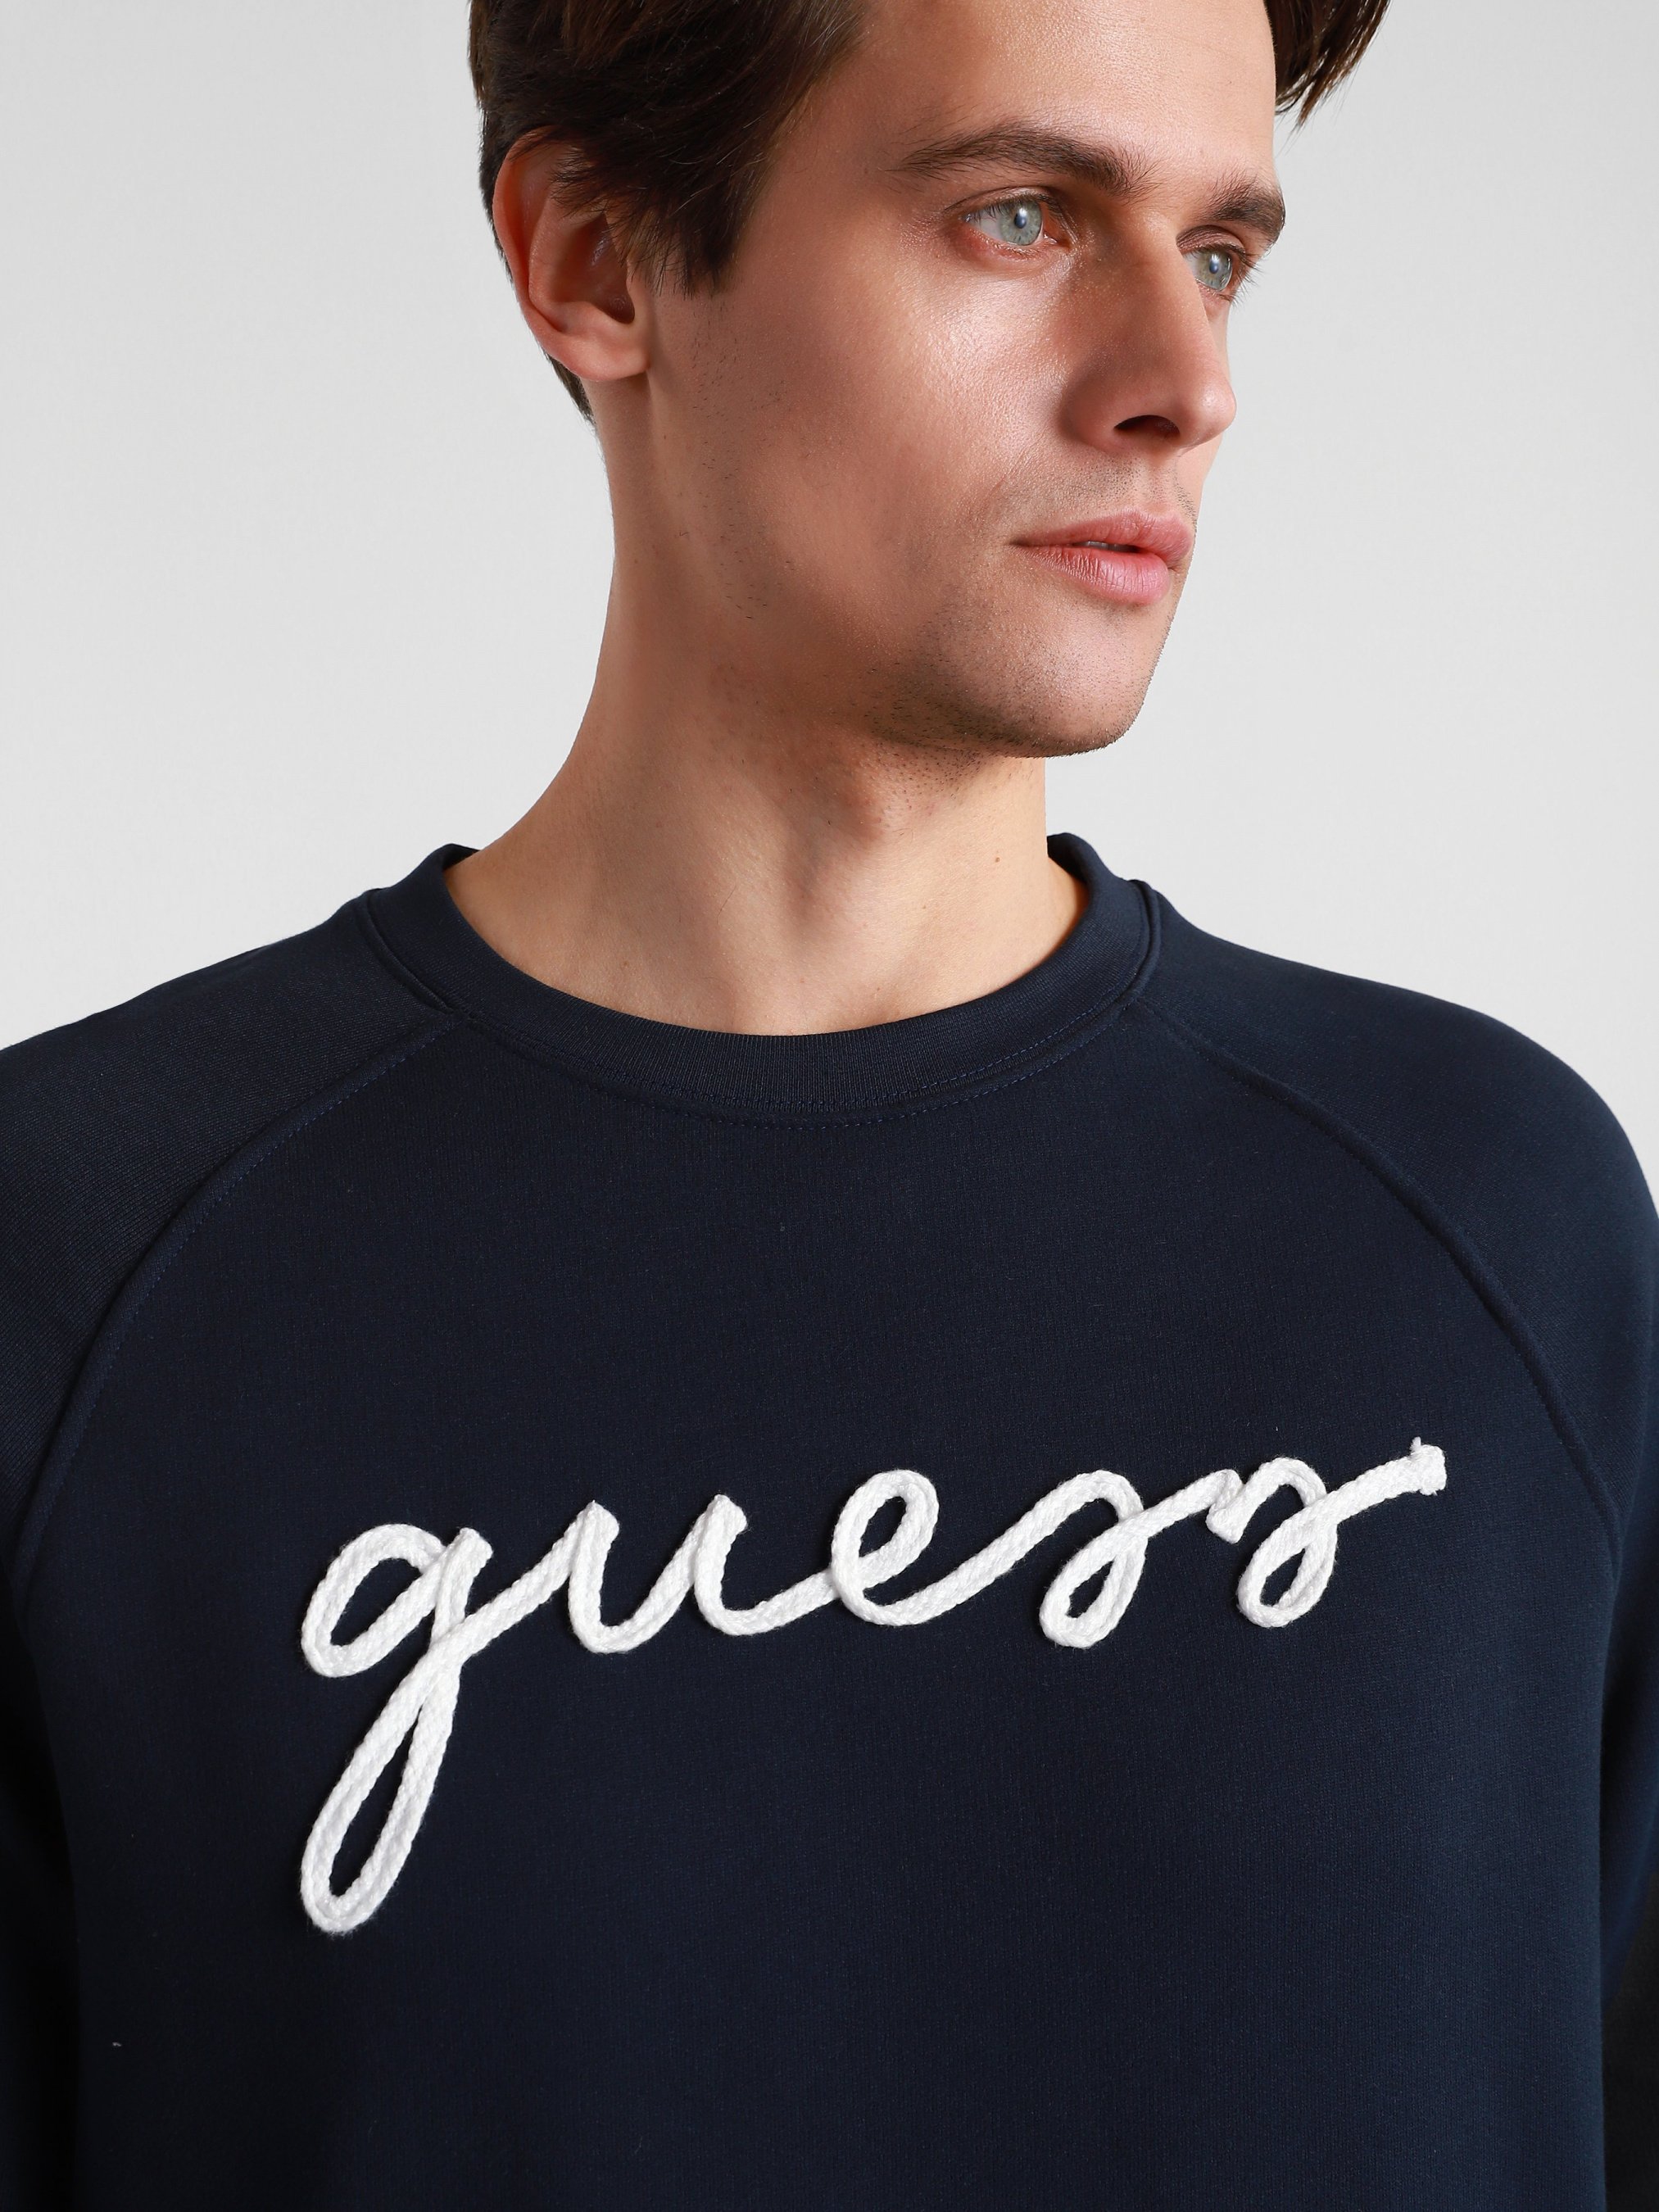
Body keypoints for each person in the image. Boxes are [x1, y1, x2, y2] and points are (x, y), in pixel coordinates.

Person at [1, 0, 1654, 2201]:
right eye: (1020, 215)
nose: (1185, 379)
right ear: (595, 260)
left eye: (1220, 252)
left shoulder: (1497, 1246)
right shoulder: (81, 1264)